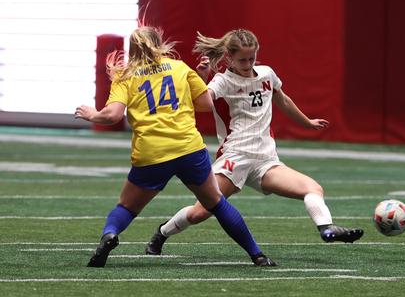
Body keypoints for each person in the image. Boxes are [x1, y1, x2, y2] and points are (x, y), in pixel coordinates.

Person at [144, 29, 364, 256]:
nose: (248, 64)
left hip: (265, 161)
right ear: (229, 57)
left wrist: (306, 122)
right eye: (242, 60)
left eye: (252, 58)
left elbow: (283, 100)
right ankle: (162, 232)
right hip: (235, 157)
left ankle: (326, 228)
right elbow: (199, 103)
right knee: (200, 213)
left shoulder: (266, 74)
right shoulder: (223, 81)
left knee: (313, 188)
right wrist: (202, 77)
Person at [75, 26, 275, 268]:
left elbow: (112, 115)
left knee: (127, 207)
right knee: (216, 203)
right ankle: (257, 255)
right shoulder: (179, 67)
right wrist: (201, 77)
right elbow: (205, 104)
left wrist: (92, 114)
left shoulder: (126, 76)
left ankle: (110, 234)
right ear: (159, 44)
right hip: (188, 148)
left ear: (133, 49)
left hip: (152, 152)